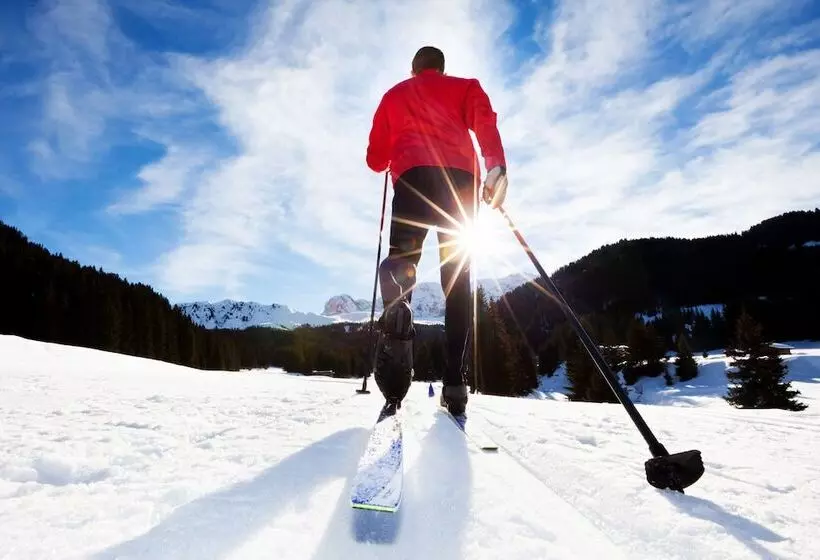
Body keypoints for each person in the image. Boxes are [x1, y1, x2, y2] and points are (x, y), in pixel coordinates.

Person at [365, 46, 508, 418]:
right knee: (456, 281)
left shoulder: (394, 96)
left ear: (414, 70)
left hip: (412, 179)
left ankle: (398, 331)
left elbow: (375, 159)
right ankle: (455, 383)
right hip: (459, 182)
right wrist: (495, 167)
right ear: (442, 69)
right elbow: (485, 123)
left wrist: (391, 156)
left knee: (403, 263)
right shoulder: (465, 87)